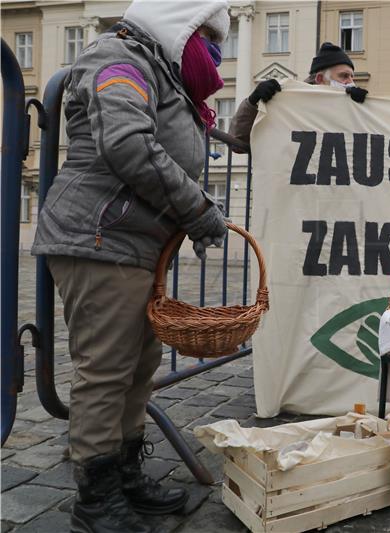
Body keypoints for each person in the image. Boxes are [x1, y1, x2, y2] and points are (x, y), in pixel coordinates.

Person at [30, 1, 231, 531]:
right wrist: (198, 208)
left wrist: (191, 212)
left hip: (131, 243)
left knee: (138, 367)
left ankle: (123, 475)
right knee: (106, 371)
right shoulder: (118, 57)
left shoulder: (155, 66)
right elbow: (127, 143)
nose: (214, 51)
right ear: (179, 25)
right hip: (99, 238)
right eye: (208, 36)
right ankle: (95, 501)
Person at [229, 42, 368, 149]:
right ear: (320, 79)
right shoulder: (285, 103)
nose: (351, 82)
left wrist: (362, 109)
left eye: (352, 76)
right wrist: (253, 102)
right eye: (344, 76)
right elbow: (237, 141)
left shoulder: (353, 103)